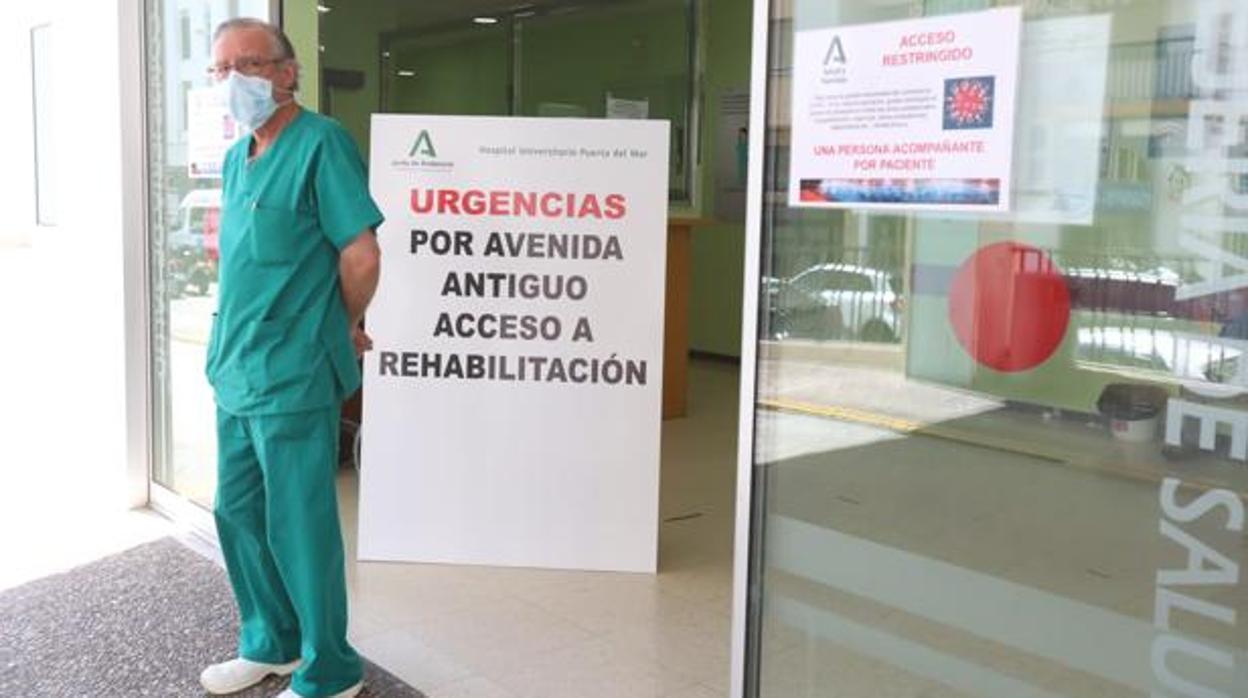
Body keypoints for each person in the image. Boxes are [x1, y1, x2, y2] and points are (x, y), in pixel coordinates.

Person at [198, 17, 382, 698]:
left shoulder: (321, 143)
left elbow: (361, 253)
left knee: (299, 523)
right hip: (236, 366)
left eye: (249, 64)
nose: (234, 81)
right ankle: (269, 641)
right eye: (221, 70)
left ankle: (329, 668)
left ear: (286, 71)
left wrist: (342, 322)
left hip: (294, 371)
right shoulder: (236, 153)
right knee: (237, 511)